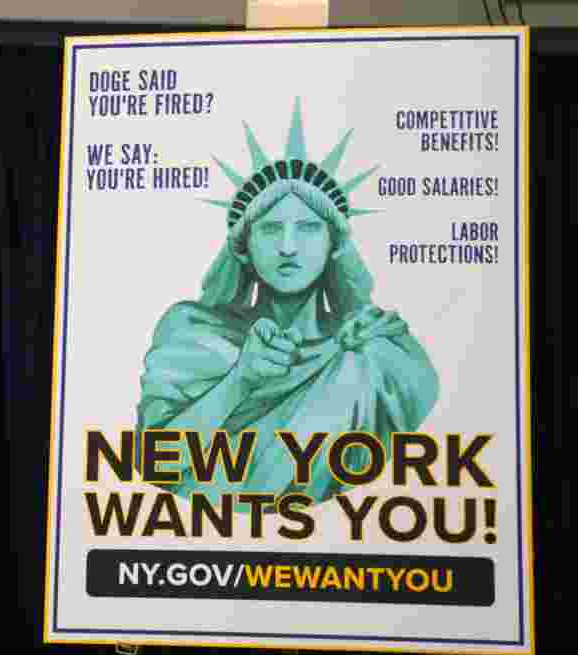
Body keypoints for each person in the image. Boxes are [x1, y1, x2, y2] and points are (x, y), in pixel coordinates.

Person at [136, 100, 438, 509]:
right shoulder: (193, 335)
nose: (289, 247)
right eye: (271, 228)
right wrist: (240, 380)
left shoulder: (377, 353)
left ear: (336, 246)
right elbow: (155, 463)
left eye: (310, 228)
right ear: (243, 247)